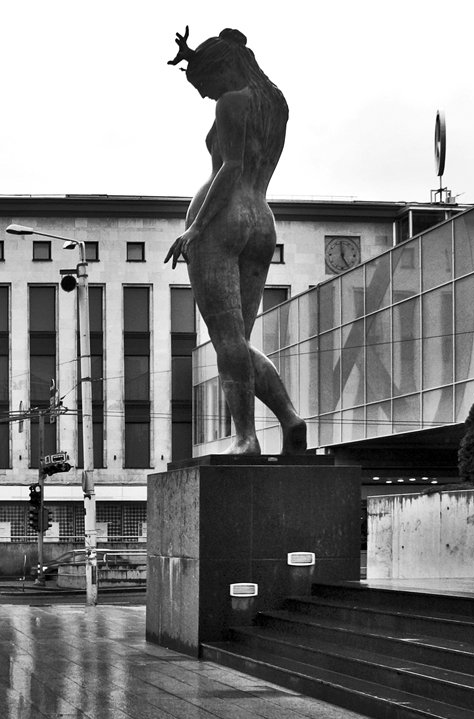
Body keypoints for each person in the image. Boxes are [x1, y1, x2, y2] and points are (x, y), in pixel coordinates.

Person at [165, 27, 306, 456]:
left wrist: (196, 227)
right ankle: (290, 419)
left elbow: (230, 166)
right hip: (261, 218)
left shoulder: (232, 102)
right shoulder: (276, 103)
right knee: (237, 342)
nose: (206, 96)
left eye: (205, 85)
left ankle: (246, 438)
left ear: (223, 68)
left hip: (222, 219)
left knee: (226, 341)